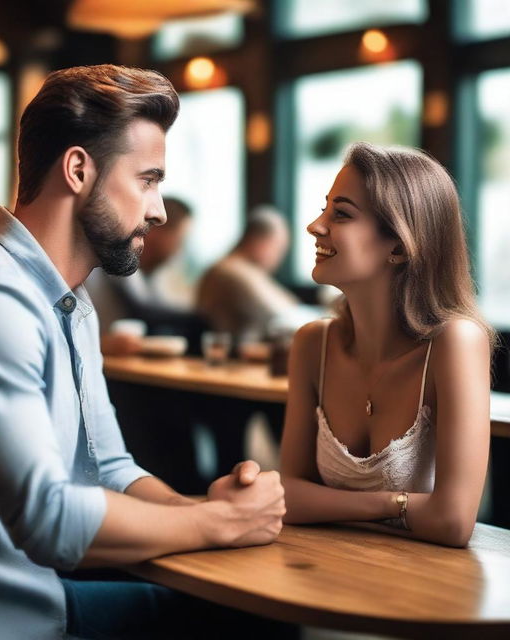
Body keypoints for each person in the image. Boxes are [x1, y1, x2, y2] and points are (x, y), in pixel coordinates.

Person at [0, 65, 287, 639]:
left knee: (257, 615)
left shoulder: (69, 301)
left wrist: (198, 512)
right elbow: (50, 519)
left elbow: (108, 467)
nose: (160, 209)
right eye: (148, 179)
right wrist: (221, 523)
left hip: (37, 598)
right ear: (77, 170)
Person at [280, 142, 494, 547]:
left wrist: (325, 505)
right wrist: (399, 506)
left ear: (398, 245)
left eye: (340, 214)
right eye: (325, 208)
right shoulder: (313, 343)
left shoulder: (455, 342)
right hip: (326, 571)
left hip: (427, 595)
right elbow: (287, 497)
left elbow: (452, 522)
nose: (315, 225)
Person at [87, 195, 207, 356]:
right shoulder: (119, 257)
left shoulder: (154, 271)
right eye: (179, 240)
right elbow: (145, 310)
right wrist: (204, 317)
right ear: (157, 231)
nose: (179, 250)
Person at [196, 205, 299, 339]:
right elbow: (283, 314)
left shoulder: (243, 268)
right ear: (260, 242)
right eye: (279, 248)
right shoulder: (232, 271)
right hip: (233, 356)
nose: (280, 258)